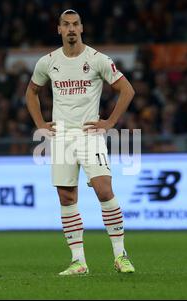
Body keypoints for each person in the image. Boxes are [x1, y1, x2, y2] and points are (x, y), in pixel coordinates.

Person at [26, 9, 135, 275]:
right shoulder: (47, 62)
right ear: (59, 29)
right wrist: (40, 124)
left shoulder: (97, 59)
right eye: (66, 25)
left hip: (89, 134)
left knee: (103, 189)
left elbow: (127, 90)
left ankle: (121, 255)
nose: (71, 29)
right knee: (66, 196)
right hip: (61, 136)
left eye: (75, 24)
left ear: (82, 28)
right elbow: (31, 92)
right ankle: (79, 262)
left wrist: (109, 122)